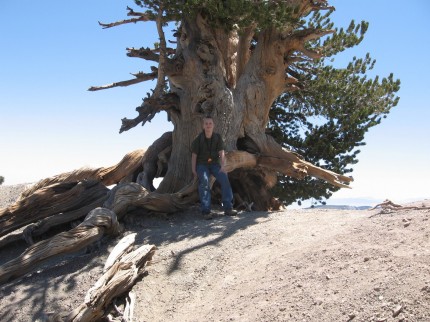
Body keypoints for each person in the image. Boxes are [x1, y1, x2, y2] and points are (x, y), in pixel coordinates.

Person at [191, 116, 238, 219]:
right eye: (206, 123)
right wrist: (193, 169)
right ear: (203, 126)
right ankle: (206, 211)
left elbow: (221, 153)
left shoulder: (217, 137)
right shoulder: (198, 139)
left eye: (210, 123)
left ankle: (228, 208)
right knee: (204, 181)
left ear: (213, 125)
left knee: (224, 179)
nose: (208, 125)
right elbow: (194, 155)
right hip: (202, 165)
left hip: (215, 165)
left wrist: (223, 166)